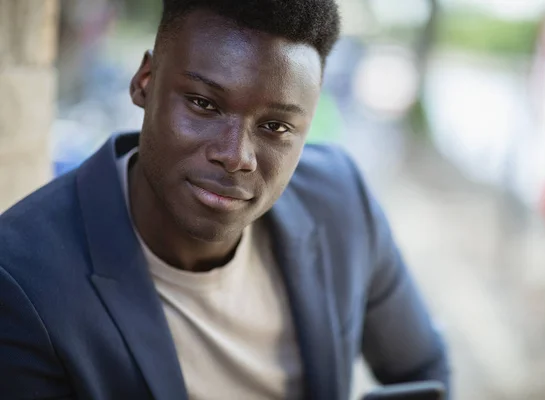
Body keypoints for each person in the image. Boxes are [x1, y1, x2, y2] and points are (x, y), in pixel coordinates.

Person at [0, 1, 450, 399]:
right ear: (145, 82)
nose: (236, 156)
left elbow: (423, 370)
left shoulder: (340, 199)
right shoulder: (22, 278)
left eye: (276, 127)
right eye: (203, 104)